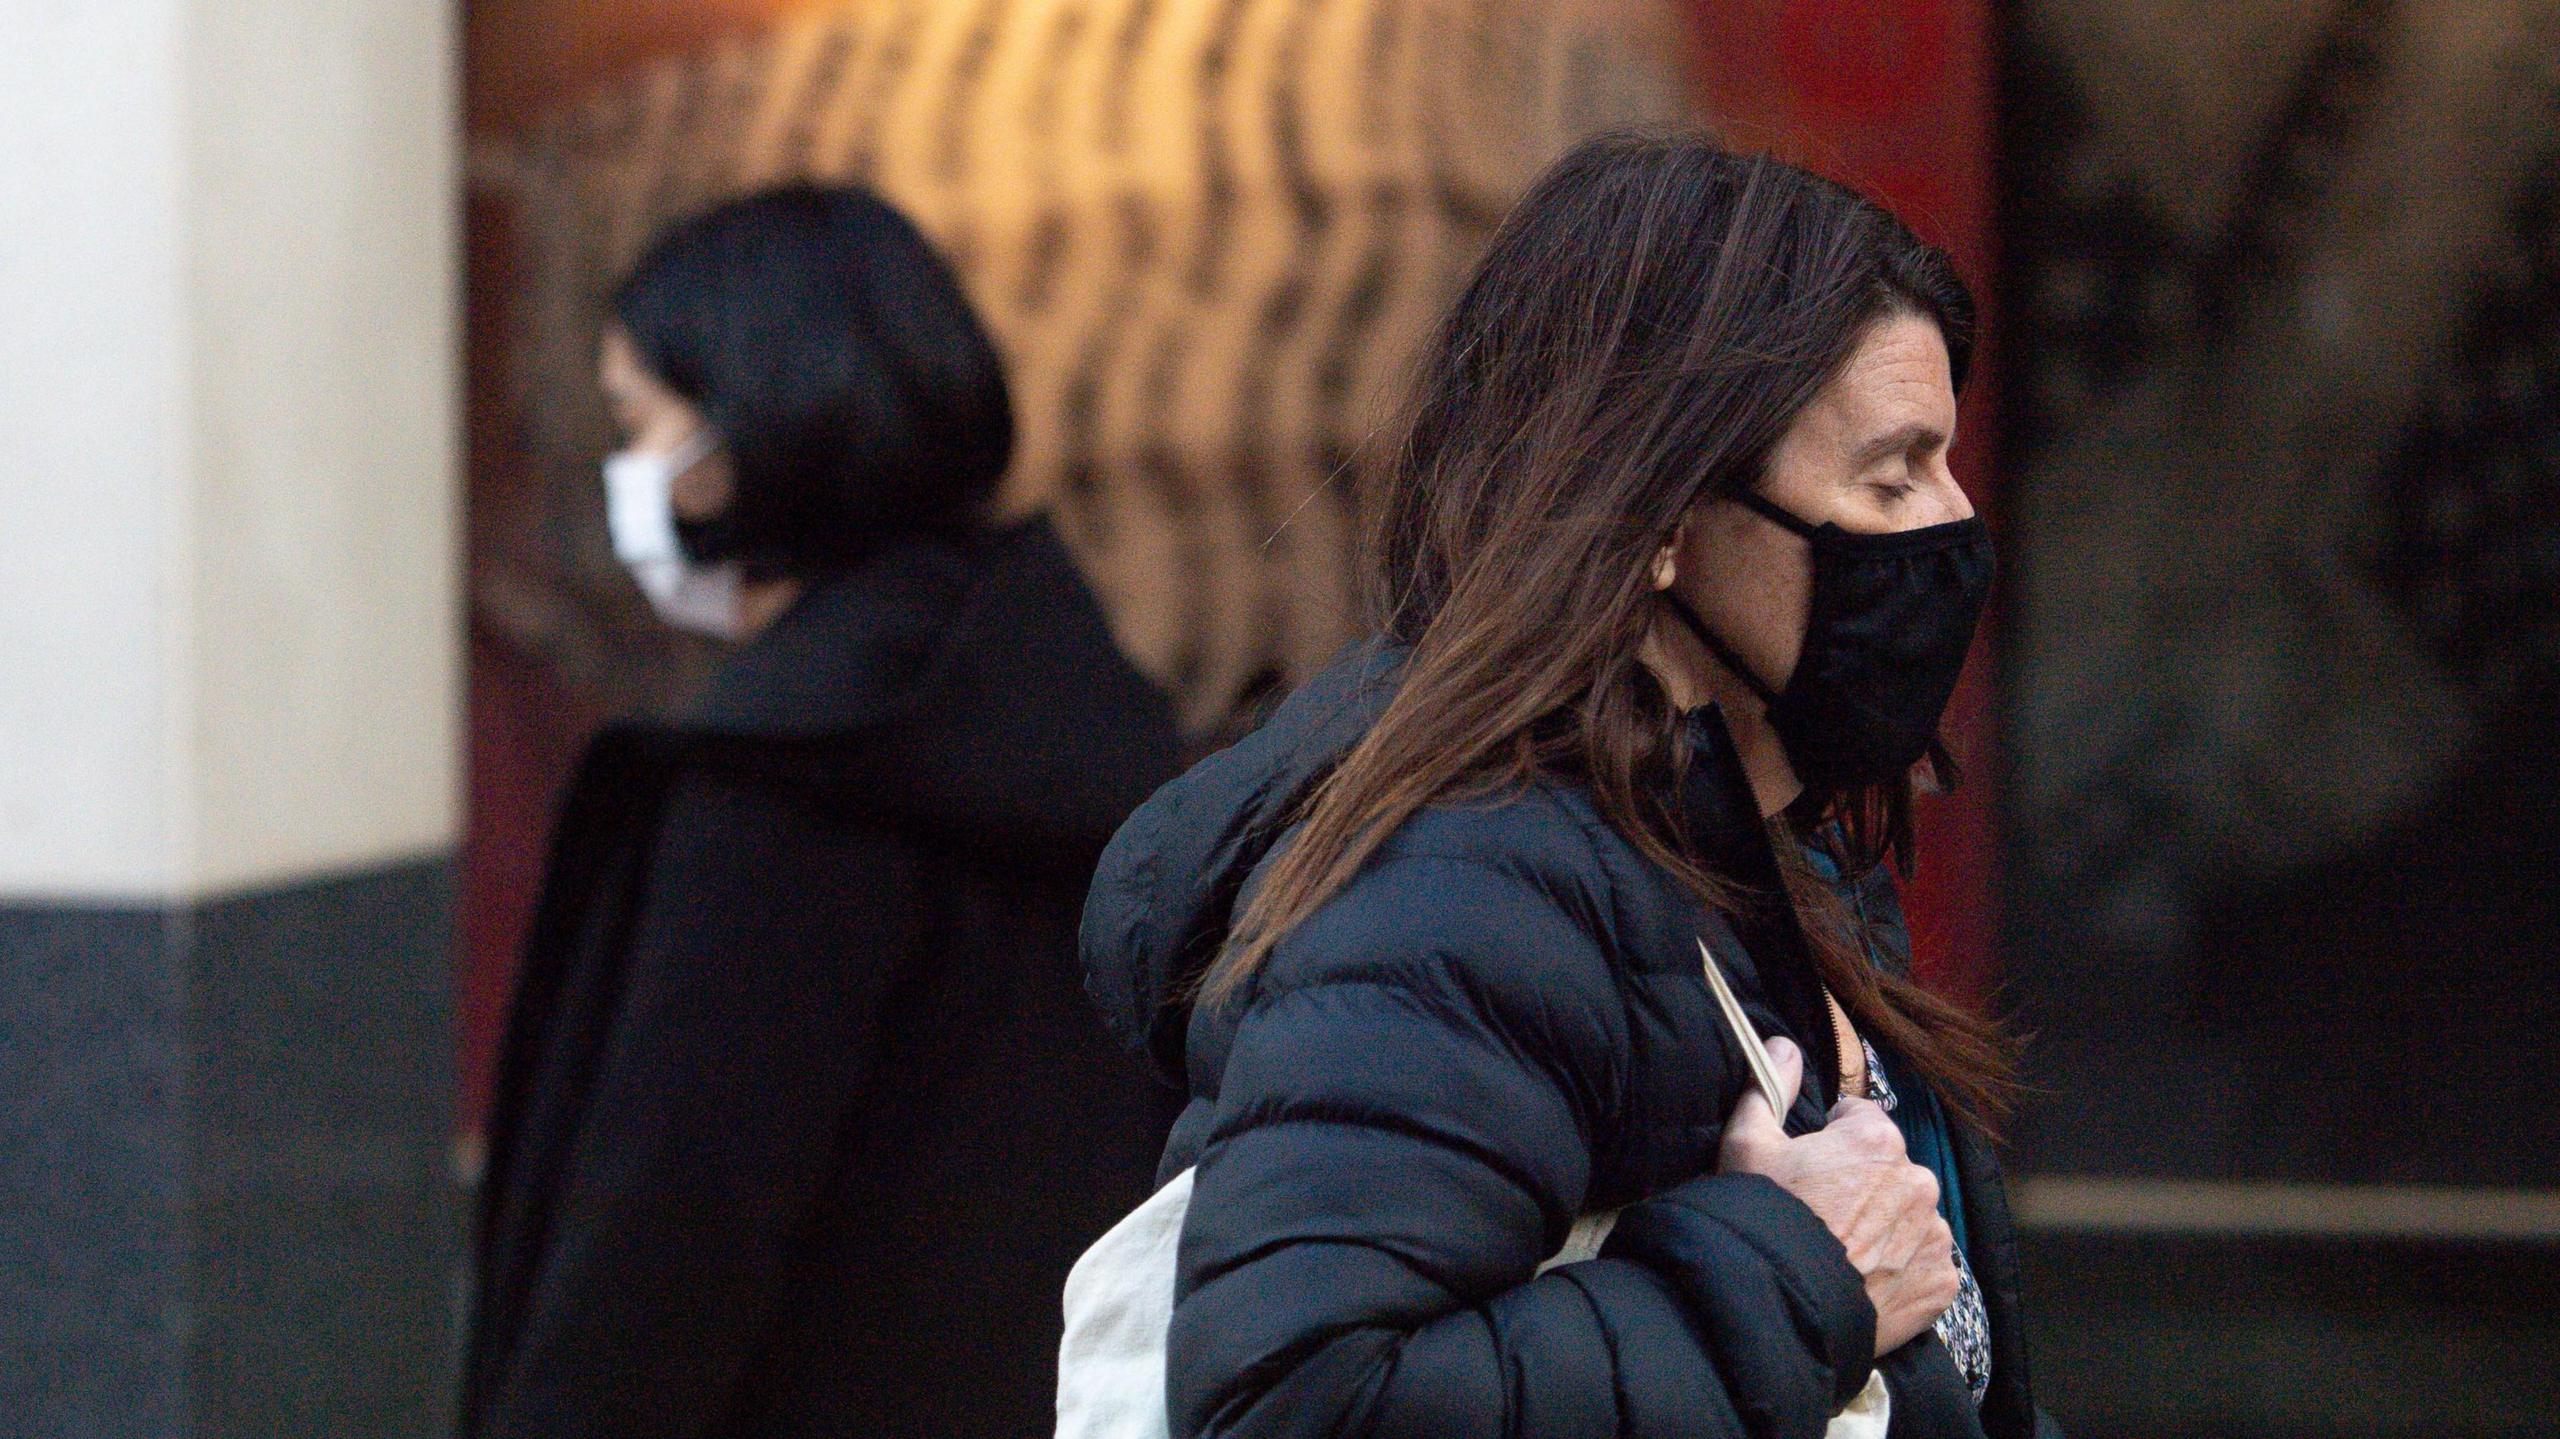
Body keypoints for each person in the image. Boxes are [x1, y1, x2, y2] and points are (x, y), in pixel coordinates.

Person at [1081, 134, 2060, 1438]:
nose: (1950, 526)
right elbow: (1290, 1401)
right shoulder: (1470, 877)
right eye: (1890, 476)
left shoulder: (1768, 856)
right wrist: (1791, 1273)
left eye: (1944, 466)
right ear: (1658, 514)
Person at [462, 184, 1184, 1439]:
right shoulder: (1067, 700)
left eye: (637, 422)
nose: (625, 474)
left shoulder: (773, 787)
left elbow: (666, 1241)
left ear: (735, 438)